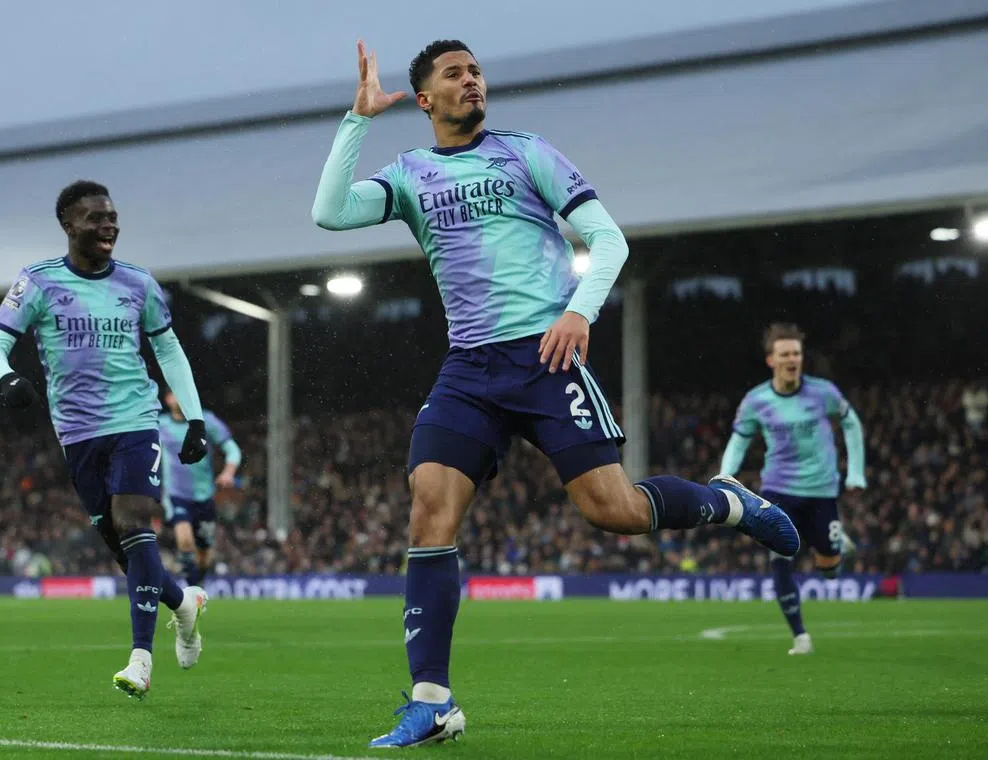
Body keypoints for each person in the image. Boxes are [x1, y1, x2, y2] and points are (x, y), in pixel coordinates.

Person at [312, 39, 799, 748]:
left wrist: (579, 312)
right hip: (469, 369)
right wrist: (356, 120)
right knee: (428, 506)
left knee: (616, 511)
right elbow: (329, 214)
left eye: (476, 70)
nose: (472, 80)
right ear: (424, 100)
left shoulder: (527, 151)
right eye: (455, 74)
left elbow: (608, 240)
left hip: (545, 356)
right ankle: (432, 700)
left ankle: (730, 501)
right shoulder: (410, 174)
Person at [0, 180, 210, 699]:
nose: (109, 225)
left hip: (135, 421)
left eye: (112, 216)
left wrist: (192, 418)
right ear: (68, 225)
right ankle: (183, 603)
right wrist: (8, 378)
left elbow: (169, 351)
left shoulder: (139, 283)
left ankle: (141, 660)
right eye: (95, 218)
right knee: (127, 549)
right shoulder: (37, 282)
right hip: (78, 434)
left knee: (134, 523)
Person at [720, 323, 866, 655]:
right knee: (781, 557)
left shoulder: (823, 393)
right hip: (778, 490)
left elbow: (851, 422)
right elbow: (739, 441)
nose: (792, 359)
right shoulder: (756, 400)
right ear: (771, 360)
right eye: (785, 354)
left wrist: (856, 472)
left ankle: (831, 544)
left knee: (829, 570)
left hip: (821, 490)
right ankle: (800, 636)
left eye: (796, 354)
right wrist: (725, 475)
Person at [159, 389, 241, 587]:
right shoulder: (159, 425)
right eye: (174, 392)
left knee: (204, 554)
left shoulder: (206, 421)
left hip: (204, 497)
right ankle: (192, 591)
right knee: (185, 541)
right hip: (176, 495)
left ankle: (198, 581)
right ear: (167, 399)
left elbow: (232, 449)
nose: (179, 396)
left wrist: (228, 472)